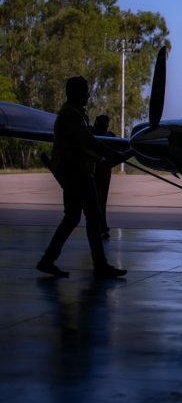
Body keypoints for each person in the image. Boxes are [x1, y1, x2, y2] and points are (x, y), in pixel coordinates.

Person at [36, 76, 128, 279]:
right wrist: (114, 154)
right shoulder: (72, 116)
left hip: (73, 175)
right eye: (85, 90)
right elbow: (89, 142)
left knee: (72, 217)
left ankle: (48, 260)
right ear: (76, 93)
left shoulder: (73, 114)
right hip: (78, 176)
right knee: (93, 217)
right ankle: (100, 265)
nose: (88, 94)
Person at [91, 114, 116, 240]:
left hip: (103, 173)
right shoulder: (109, 137)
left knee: (100, 201)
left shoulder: (96, 134)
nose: (105, 127)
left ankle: (101, 227)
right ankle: (101, 227)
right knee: (99, 202)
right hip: (98, 173)